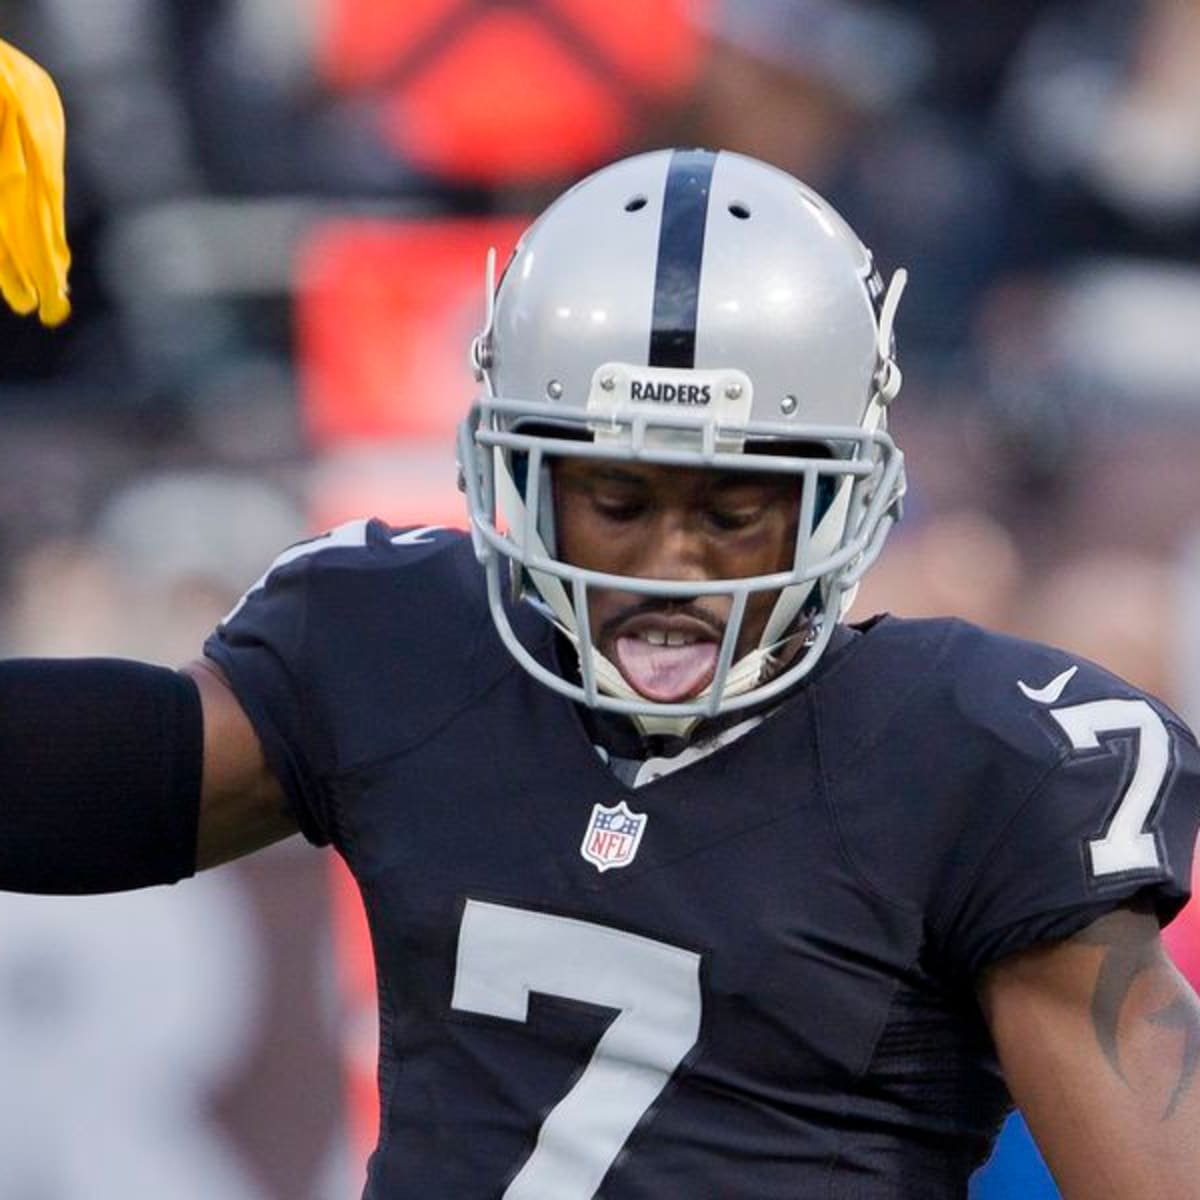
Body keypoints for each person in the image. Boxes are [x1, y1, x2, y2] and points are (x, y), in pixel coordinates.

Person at [3, 147, 1200, 1200]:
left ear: (840, 499)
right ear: (521, 479)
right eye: (618, 502)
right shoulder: (400, 646)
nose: (672, 566)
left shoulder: (971, 761)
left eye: (733, 511)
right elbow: (112, 776)